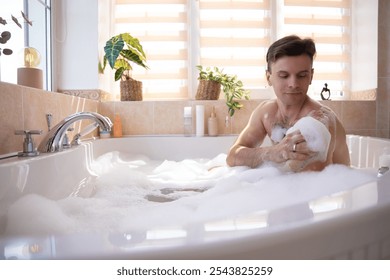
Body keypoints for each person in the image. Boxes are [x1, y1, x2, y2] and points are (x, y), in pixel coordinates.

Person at [226, 35, 350, 172]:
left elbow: (312, 181)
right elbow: (233, 156)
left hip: (335, 190)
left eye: (302, 75)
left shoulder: (320, 121)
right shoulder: (266, 113)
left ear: (311, 76)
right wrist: (272, 152)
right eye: (284, 76)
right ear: (269, 78)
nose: (293, 84)